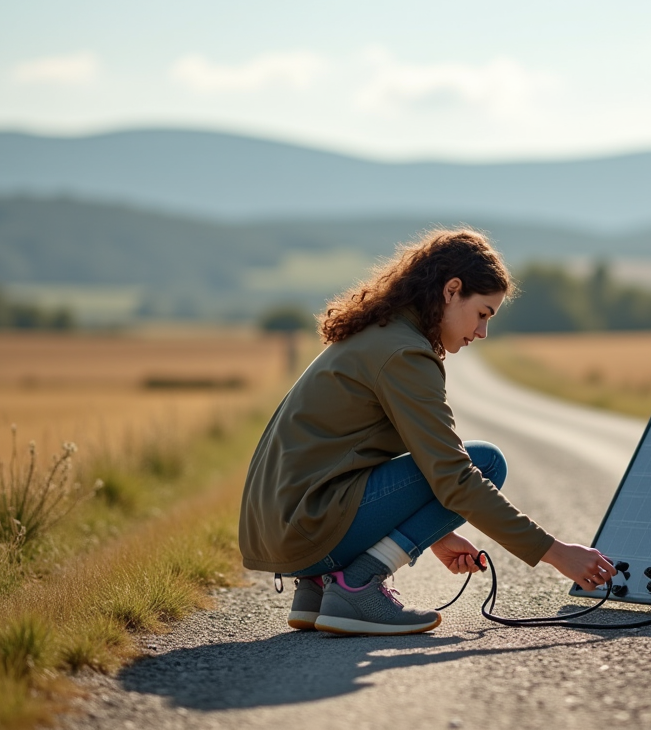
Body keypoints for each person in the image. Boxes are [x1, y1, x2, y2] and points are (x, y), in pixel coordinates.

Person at [238, 228, 617, 635]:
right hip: (308, 527)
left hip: (282, 532)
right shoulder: (404, 352)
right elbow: (453, 477)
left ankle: (318, 587)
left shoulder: (379, 335)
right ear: (452, 290)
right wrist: (557, 554)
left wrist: (439, 534)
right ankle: (357, 584)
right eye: (483, 314)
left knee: (458, 469)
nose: (482, 332)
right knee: (486, 462)